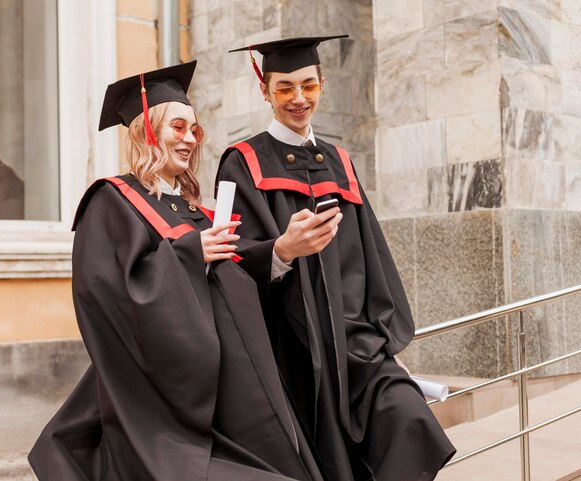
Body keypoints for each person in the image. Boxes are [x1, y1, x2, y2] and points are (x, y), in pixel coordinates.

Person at [28, 61, 327, 481]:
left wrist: (282, 250)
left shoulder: (195, 213)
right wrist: (188, 254)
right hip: (165, 414)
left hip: (235, 398)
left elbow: (234, 280)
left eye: (195, 130)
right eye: (178, 128)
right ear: (146, 132)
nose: (190, 139)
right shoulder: (112, 202)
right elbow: (106, 295)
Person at [216, 36, 456, 481]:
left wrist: (387, 346)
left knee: (408, 420)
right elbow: (226, 263)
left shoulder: (339, 161)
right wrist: (281, 251)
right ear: (264, 91)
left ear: (322, 84)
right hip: (290, 348)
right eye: (284, 87)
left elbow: (373, 257)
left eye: (308, 85)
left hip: (355, 347)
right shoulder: (243, 162)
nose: (298, 98)